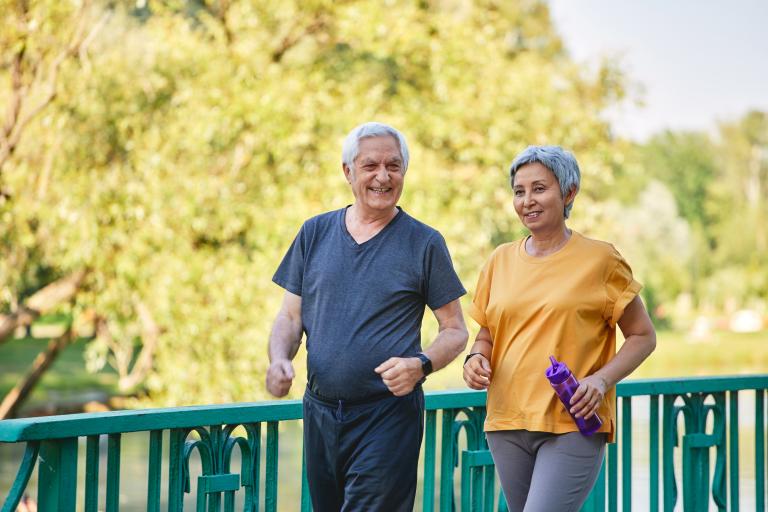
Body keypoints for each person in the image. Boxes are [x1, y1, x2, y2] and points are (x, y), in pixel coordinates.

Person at [267, 122, 468, 511]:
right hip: (320, 412)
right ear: (348, 172)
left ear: (404, 173)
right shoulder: (314, 232)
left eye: (393, 166)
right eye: (370, 166)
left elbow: (455, 330)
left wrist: (420, 365)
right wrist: (278, 360)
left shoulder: (424, 242)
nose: (383, 176)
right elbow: (290, 318)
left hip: (387, 416)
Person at [463, 145, 656, 512]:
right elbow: (488, 331)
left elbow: (643, 336)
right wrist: (475, 357)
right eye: (519, 191)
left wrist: (600, 381)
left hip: (572, 421)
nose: (527, 201)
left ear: (568, 193)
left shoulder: (601, 259)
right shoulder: (499, 259)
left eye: (539, 188)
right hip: (507, 421)